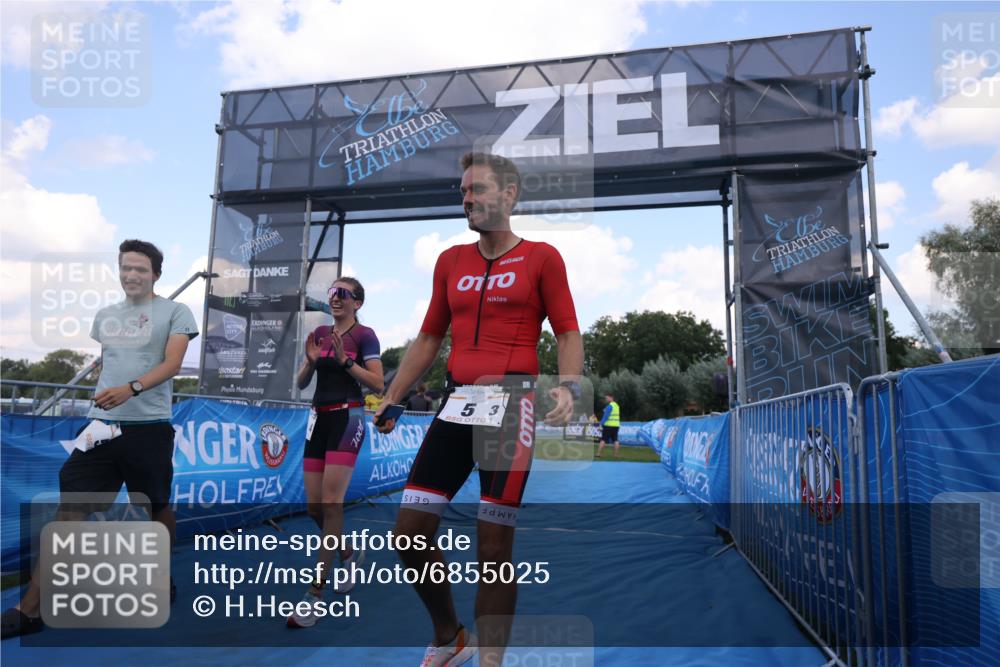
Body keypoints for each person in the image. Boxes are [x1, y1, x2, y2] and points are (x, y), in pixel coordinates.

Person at [375, 152, 584, 667]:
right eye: (463, 190)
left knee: (492, 549)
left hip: (513, 408)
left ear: (509, 195)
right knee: (408, 533)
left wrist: (569, 385)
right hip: (457, 403)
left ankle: (491, 660)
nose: (466, 198)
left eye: (477, 190)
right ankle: (449, 635)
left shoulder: (542, 256)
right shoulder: (451, 261)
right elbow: (428, 338)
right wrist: (393, 395)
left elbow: (568, 331)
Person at [1, 239, 199, 639]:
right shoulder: (106, 315)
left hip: (149, 427)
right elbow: (110, 359)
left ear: (155, 273)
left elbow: (173, 363)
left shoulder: (176, 312)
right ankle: (30, 609)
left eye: (140, 269)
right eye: (126, 267)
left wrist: (132, 387)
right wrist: (109, 385)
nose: (132, 275)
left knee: (156, 508)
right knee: (69, 510)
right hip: (100, 427)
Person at [287, 277, 384, 628]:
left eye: (342, 294)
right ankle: (346, 552)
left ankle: (314, 595)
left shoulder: (365, 335)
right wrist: (311, 362)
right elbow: (299, 383)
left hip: (349, 418)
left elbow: (377, 383)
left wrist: (345, 363)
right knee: (314, 507)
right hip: (318, 418)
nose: (334, 298)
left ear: (357, 302)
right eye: (331, 293)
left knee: (331, 505)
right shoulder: (321, 335)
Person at [596, 393, 621, 459]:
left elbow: (605, 417)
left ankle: (598, 454)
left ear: (611, 397)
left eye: (607, 398)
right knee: (615, 440)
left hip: (608, 425)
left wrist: (600, 425)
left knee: (603, 439)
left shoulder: (609, 406)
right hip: (616, 425)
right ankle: (616, 455)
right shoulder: (617, 405)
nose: (606, 399)